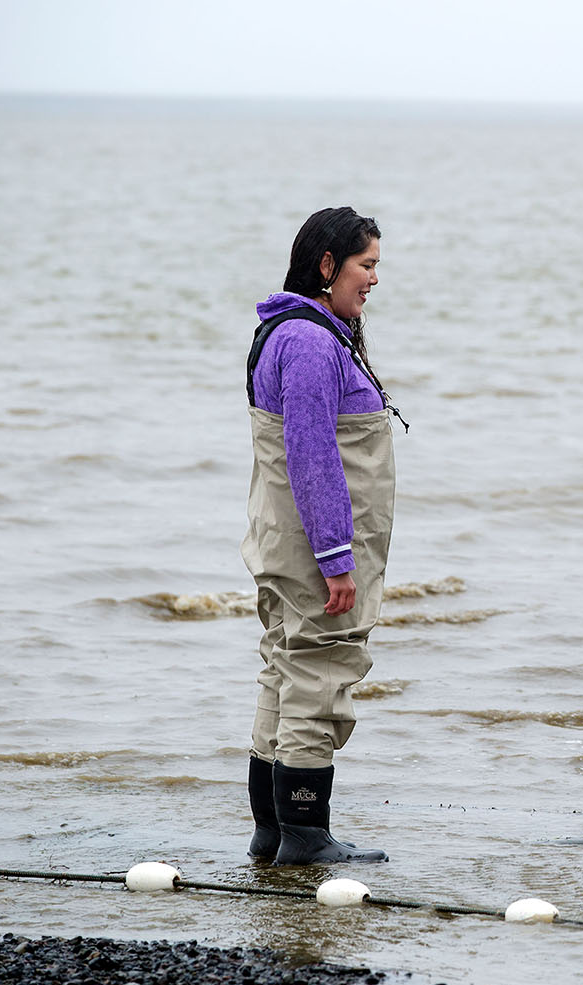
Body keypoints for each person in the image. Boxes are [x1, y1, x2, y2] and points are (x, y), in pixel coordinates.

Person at [241, 206, 403, 865]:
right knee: (319, 670)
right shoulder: (309, 342)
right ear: (328, 265)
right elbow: (313, 455)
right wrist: (337, 559)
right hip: (315, 549)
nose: (373, 281)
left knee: (285, 668)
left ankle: (272, 831)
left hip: (283, 539)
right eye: (366, 266)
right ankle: (306, 836)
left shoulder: (292, 330)